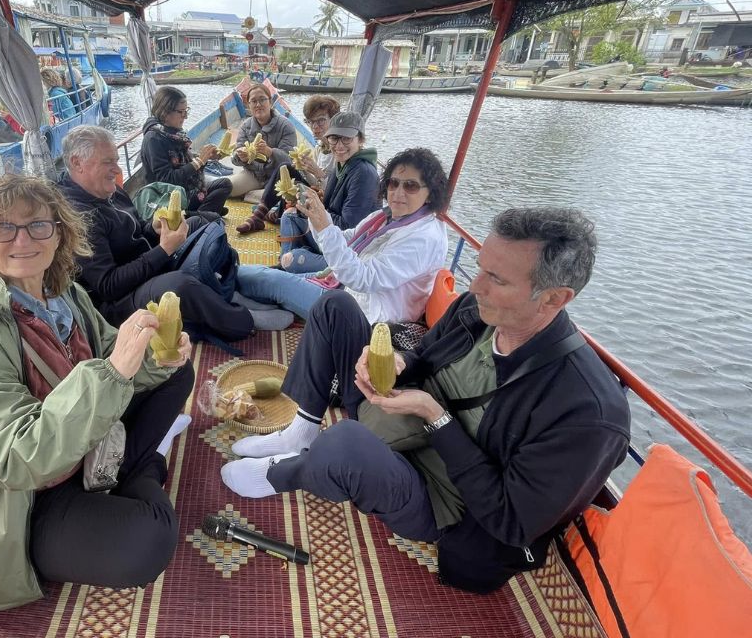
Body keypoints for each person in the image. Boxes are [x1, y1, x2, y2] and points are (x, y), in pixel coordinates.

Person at [221, 207, 631, 594]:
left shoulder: (586, 412)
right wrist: (397, 363)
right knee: (334, 306)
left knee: (344, 445)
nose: (475, 285)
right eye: (481, 266)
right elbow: (425, 358)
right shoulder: (476, 310)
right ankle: (301, 430)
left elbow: (510, 521)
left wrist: (435, 417)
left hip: (440, 494)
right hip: (397, 412)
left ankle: (284, 473)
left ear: (554, 299)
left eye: (497, 279)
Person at [0, 174, 194, 613]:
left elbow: (110, 349)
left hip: (77, 444)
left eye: (38, 226)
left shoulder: (63, 292)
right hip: (22, 499)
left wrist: (151, 358)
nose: (22, 240)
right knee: (148, 541)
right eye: (3, 228)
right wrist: (113, 372)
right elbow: (14, 459)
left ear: (59, 233)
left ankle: (127, 470)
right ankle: (140, 470)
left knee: (174, 373)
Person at [58, 126, 258, 340]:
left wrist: (152, 229)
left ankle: (223, 291)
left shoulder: (108, 190)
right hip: (116, 303)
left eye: (116, 160)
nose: (117, 170)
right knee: (180, 285)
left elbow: (134, 233)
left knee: (200, 221)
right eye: (108, 162)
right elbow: (108, 286)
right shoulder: (77, 216)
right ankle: (243, 321)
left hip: (143, 267)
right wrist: (164, 251)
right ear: (77, 163)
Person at [234, 147, 448, 322]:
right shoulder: (386, 216)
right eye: (393, 183)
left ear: (430, 194)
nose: (398, 193)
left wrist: (325, 228)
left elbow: (363, 278)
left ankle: (224, 279)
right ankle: (269, 314)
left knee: (271, 280)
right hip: (343, 286)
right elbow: (347, 239)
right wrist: (319, 219)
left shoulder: (424, 238)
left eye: (410, 186)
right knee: (272, 277)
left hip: (364, 315)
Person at [277, 111, 379, 274]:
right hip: (329, 235)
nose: (339, 145)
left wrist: (315, 209)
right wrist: (312, 201)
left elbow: (349, 227)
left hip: (348, 250)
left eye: (346, 138)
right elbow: (330, 207)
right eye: (334, 138)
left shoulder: (363, 173)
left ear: (360, 140)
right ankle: (286, 265)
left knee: (292, 260)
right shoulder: (342, 165)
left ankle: (291, 264)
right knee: (289, 215)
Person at [236, 94, 340, 234]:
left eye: (321, 121)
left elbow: (337, 193)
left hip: (328, 204)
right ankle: (258, 216)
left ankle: (273, 215)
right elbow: (315, 183)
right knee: (285, 167)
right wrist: (305, 170)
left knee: (288, 176)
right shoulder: (319, 148)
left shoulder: (340, 150)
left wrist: (318, 173)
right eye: (310, 122)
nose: (315, 127)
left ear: (333, 120)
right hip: (316, 193)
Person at [140, 85, 232, 218]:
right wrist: (199, 161)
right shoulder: (154, 139)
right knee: (214, 217)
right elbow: (166, 180)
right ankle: (199, 215)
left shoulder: (175, 132)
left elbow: (184, 161)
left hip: (189, 190)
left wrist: (207, 157)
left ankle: (203, 214)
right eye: (181, 112)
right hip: (169, 199)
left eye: (186, 111)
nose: (186, 117)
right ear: (165, 112)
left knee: (225, 184)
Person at [229, 83, 298, 198]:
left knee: (287, 195)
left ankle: (253, 195)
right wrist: (240, 156)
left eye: (262, 100)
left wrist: (270, 152)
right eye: (253, 101)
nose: (258, 105)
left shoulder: (286, 126)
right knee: (227, 189)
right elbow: (235, 157)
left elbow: (289, 160)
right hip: (254, 174)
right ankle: (254, 195)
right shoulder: (245, 126)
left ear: (270, 102)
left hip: (278, 176)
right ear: (248, 105)